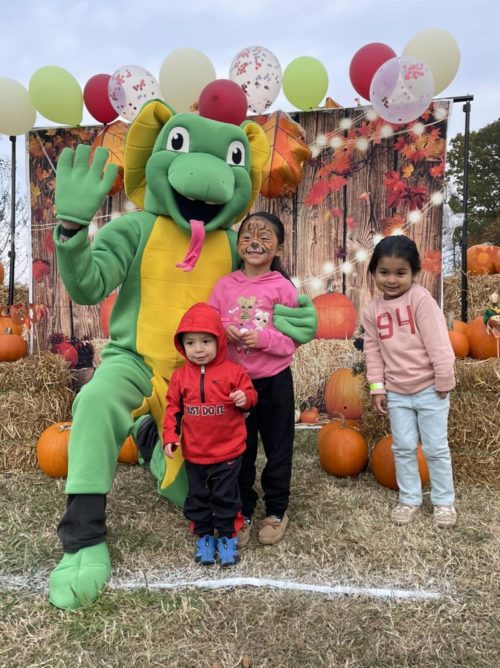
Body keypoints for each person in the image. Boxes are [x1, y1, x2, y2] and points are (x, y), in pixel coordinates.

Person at [209, 211, 300, 547]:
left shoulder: (284, 288)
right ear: (238, 243)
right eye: (247, 235)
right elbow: (208, 326)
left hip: (275, 381)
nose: (254, 242)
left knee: (278, 449)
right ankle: (242, 510)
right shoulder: (224, 285)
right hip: (235, 385)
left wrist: (264, 340)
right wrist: (223, 331)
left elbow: (295, 339)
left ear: (277, 248)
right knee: (239, 450)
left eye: (264, 237)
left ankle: (276, 510)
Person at [363, 236, 457, 528]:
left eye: (400, 273)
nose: (391, 280)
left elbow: (438, 341)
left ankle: (443, 502)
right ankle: (410, 498)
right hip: (397, 393)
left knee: (435, 448)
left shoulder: (420, 300)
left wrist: (444, 377)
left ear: (414, 273)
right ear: (373, 273)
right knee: (402, 447)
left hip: (430, 389)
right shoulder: (372, 311)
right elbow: (373, 351)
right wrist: (377, 387)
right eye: (384, 272)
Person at [163, 302, 257, 567]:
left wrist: (244, 398)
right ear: (182, 345)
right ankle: (204, 536)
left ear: (218, 341)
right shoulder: (180, 376)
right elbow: (172, 409)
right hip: (195, 453)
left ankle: (226, 537)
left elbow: (251, 396)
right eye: (191, 343)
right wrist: (170, 436)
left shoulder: (233, 373)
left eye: (206, 341)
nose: (199, 349)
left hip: (228, 451)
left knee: (226, 497)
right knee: (199, 498)